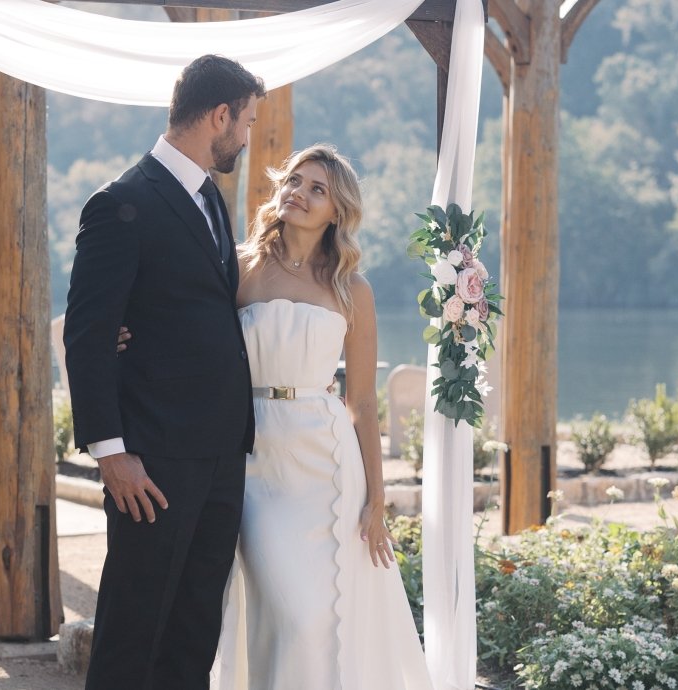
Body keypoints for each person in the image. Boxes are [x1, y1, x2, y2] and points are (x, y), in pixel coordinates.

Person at [122, 144, 433, 689]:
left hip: (327, 464)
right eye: (295, 181)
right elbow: (183, 326)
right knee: (286, 609)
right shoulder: (238, 268)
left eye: (318, 189)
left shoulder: (352, 288)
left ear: (338, 211)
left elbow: (362, 405)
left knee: (318, 616)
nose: (301, 194)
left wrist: (377, 502)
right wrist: (128, 331)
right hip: (251, 455)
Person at [63, 54, 263, 690]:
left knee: (194, 628)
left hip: (221, 454)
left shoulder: (212, 198)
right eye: (248, 121)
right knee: (133, 628)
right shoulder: (121, 202)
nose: (248, 136)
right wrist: (111, 452)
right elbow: (87, 333)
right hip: (151, 461)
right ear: (220, 115)